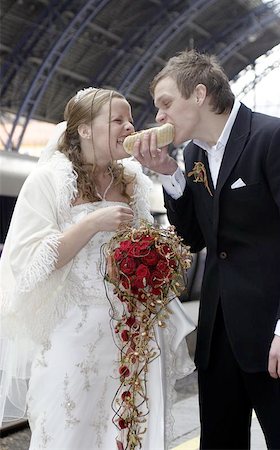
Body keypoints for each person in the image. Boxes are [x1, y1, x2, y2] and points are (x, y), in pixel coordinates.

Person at [0, 87, 195, 450]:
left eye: (131, 120)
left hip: (134, 337)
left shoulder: (133, 181)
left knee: (130, 432)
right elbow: (29, 262)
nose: (129, 127)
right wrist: (91, 223)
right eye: (117, 120)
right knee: (71, 431)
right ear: (85, 129)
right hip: (73, 338)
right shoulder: (48, 181)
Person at [129, 50, 280, 449]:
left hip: (276, 334)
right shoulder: (191, 156)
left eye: (166, 103)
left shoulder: (277, 138)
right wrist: (171, 178)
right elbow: (195, 240)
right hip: (219, 335)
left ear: (200, 93)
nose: (159, 117)